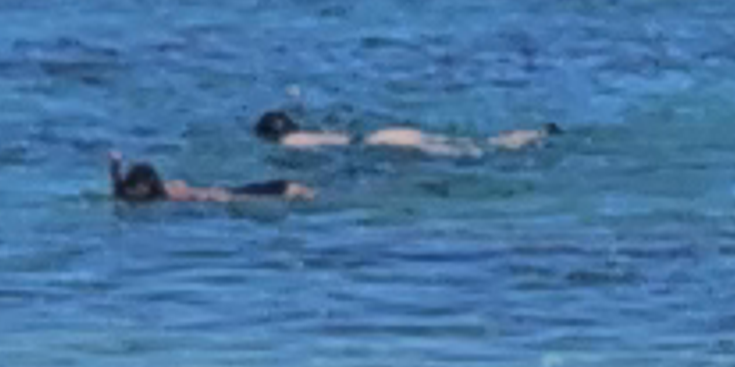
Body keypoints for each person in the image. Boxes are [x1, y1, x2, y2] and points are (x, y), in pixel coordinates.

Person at [252, 108, 554, 158]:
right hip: (384, 133)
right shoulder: (306, 133)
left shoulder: (290, 143)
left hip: (378, 142)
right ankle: (526, 135)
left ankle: (522, 141)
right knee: (471, 144)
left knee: (473, 152)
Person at [109, 158, 298, 208]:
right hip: (213, 194)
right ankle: (288, 188)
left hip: (218, 196)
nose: (136, 190)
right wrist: (115, 165)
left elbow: (200, 196)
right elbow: (118, 184)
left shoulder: (169, 195)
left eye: (139, 186)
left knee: (256, 194)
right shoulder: (128, 190)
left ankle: (288, 188)